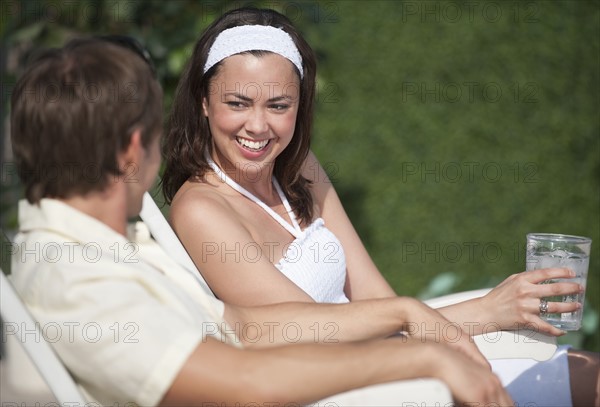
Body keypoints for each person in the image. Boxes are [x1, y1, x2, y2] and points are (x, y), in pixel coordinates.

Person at [8, 37, 513, 406]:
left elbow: (248, 329)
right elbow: (248, 384)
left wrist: (404, 313)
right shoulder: (79, 280)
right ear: (134, 148)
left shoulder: (109, 248)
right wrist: (423, 357)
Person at [161, 7, 599, 407]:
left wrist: (484, 313)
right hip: (336, 389)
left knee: (588, 374)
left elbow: (378, 301)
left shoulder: (298, 169)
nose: (258, 126)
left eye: (279, 105)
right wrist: (486, 312)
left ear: (300, 106)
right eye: (238, 103)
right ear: (203, 101)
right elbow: (317, 342)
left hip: (386, 361)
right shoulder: (202, 208)